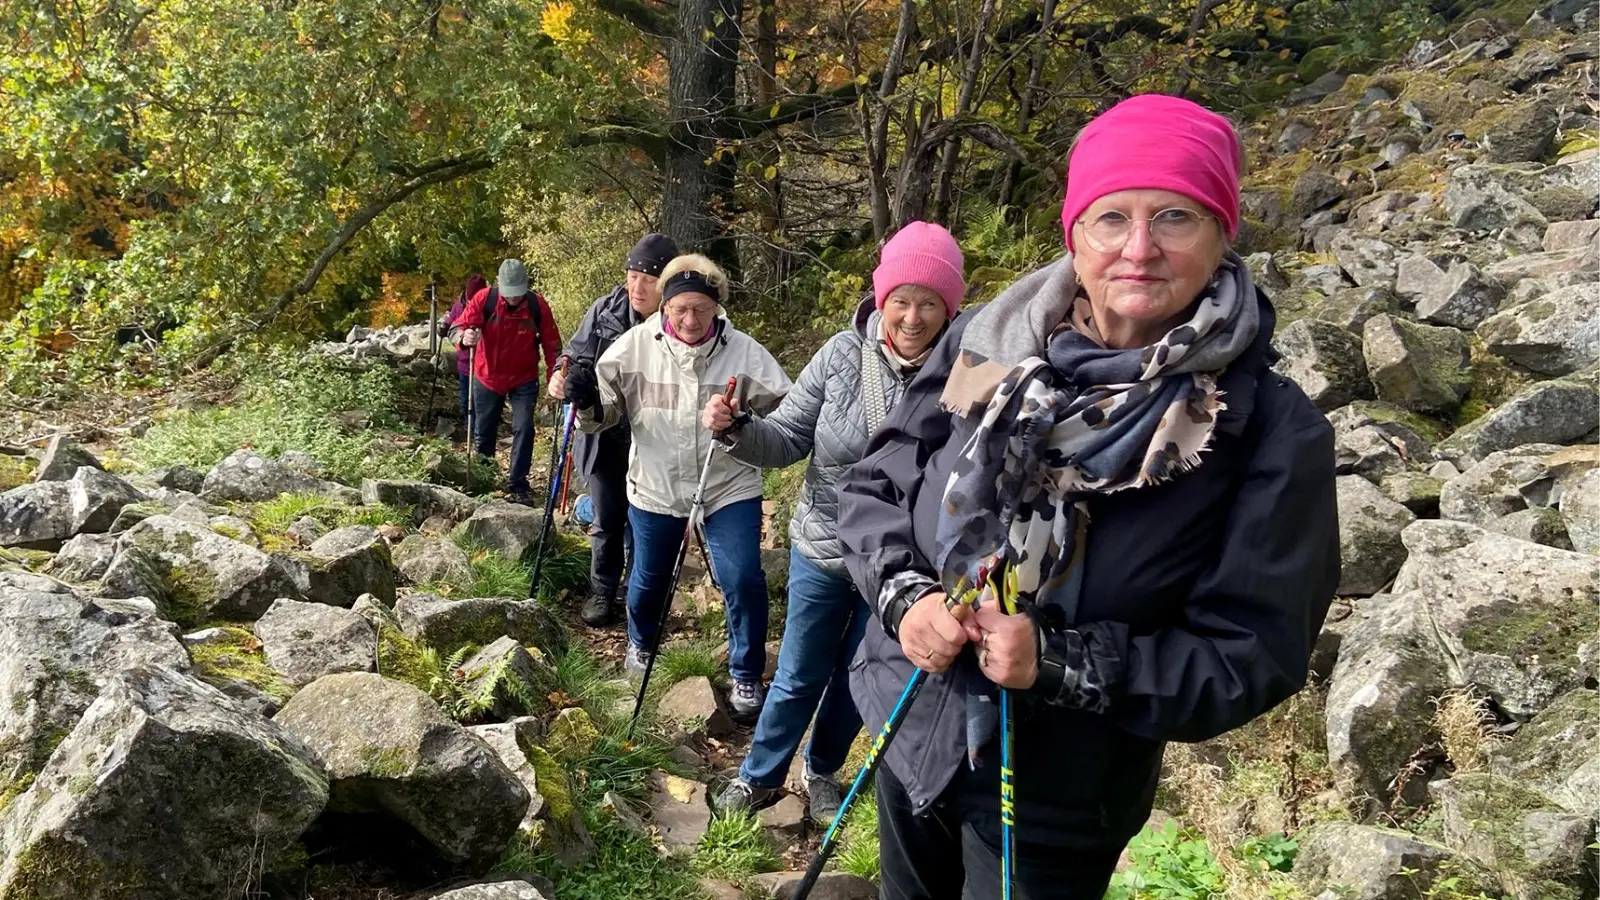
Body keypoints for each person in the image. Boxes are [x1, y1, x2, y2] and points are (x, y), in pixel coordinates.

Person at [837, 94, 1340, 900]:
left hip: (1060, 796)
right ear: (1075, 234)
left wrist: (1059, 665)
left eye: (1175, 216)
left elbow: (1255, 651)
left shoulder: (1268, 431)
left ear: (1222, 234)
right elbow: (875, 484)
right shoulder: (985, 344)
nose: (1138, 249)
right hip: (911, 722)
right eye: (1112, 218)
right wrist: (905, 600)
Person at [703, 223, 966, 823]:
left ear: (950, 307)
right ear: (880, 298)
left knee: (859, 680)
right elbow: (789, 437)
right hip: (824, 549)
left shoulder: (966, 373)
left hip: (906, 570)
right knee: (798, 672)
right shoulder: (841, 355)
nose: (912, 317)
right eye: (900, 299)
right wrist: (735, 428)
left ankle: (822, 773)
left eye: (930, 302)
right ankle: (759, 775)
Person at [563, 253, 792, 722]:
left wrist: (743, 423)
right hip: (655, 487)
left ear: (717, 309)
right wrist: (584, 396)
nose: (690, 320)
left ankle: (746, 674)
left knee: (743, 577)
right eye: (680, 308)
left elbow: (789, 419)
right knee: (647, 579)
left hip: (727, 485)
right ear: (664, 305)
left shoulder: (745, 353)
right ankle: (641, 645)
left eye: (701, 310)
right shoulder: (632, 347)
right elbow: (599, 417)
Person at [548, 234, 679, 626]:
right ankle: (602, 591)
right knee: (607, 518)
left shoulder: (681, 320)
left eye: (648, 278)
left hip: (654, 438)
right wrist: (561, 374)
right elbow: (574, 352)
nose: (637, 286)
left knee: (646, 521)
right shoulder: (605, 310)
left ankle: (636, 592)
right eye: (632, 274)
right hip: (603, 434)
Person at [452, 259, 562, 505]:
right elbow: (457, 327)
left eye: (518, 294)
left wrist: (555, 375)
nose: (513, 299)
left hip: (524, 377)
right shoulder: (484, 299)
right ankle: (484, 480)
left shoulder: (536, 305)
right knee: (484, 433)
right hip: (487, 375)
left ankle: (518, 485)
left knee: (524, 428)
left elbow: (552, 343)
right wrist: (464, 336)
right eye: (509, 294)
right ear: (500, 286)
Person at [440, 272, 488, 441]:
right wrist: (445, 327)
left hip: (483, 365)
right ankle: (469, 430)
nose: (472, 303)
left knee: (479, 402)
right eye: (470, 299)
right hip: (464, 363)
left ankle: (478, 435)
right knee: (465, 401)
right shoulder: (459, 304)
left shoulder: (490, 305)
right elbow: (452, 322)